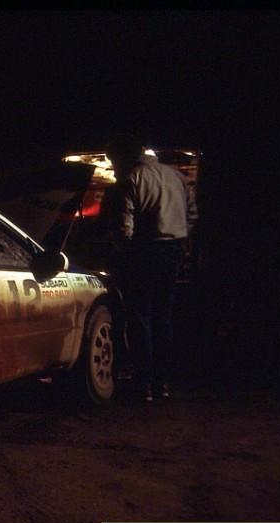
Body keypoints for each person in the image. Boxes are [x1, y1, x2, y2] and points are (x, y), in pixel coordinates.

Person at [104, 134, 197, 401]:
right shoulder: (175, 175)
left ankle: (142, 383)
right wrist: (181, 241)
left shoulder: (130, 178)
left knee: (140, 315)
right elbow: (191, 214)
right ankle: (162, 382)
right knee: (163, 316)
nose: (112, 166)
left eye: (112, 161)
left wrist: (124, 253)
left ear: (122, 156)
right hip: (173, 249)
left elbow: (124, 226)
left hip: (144, 251)